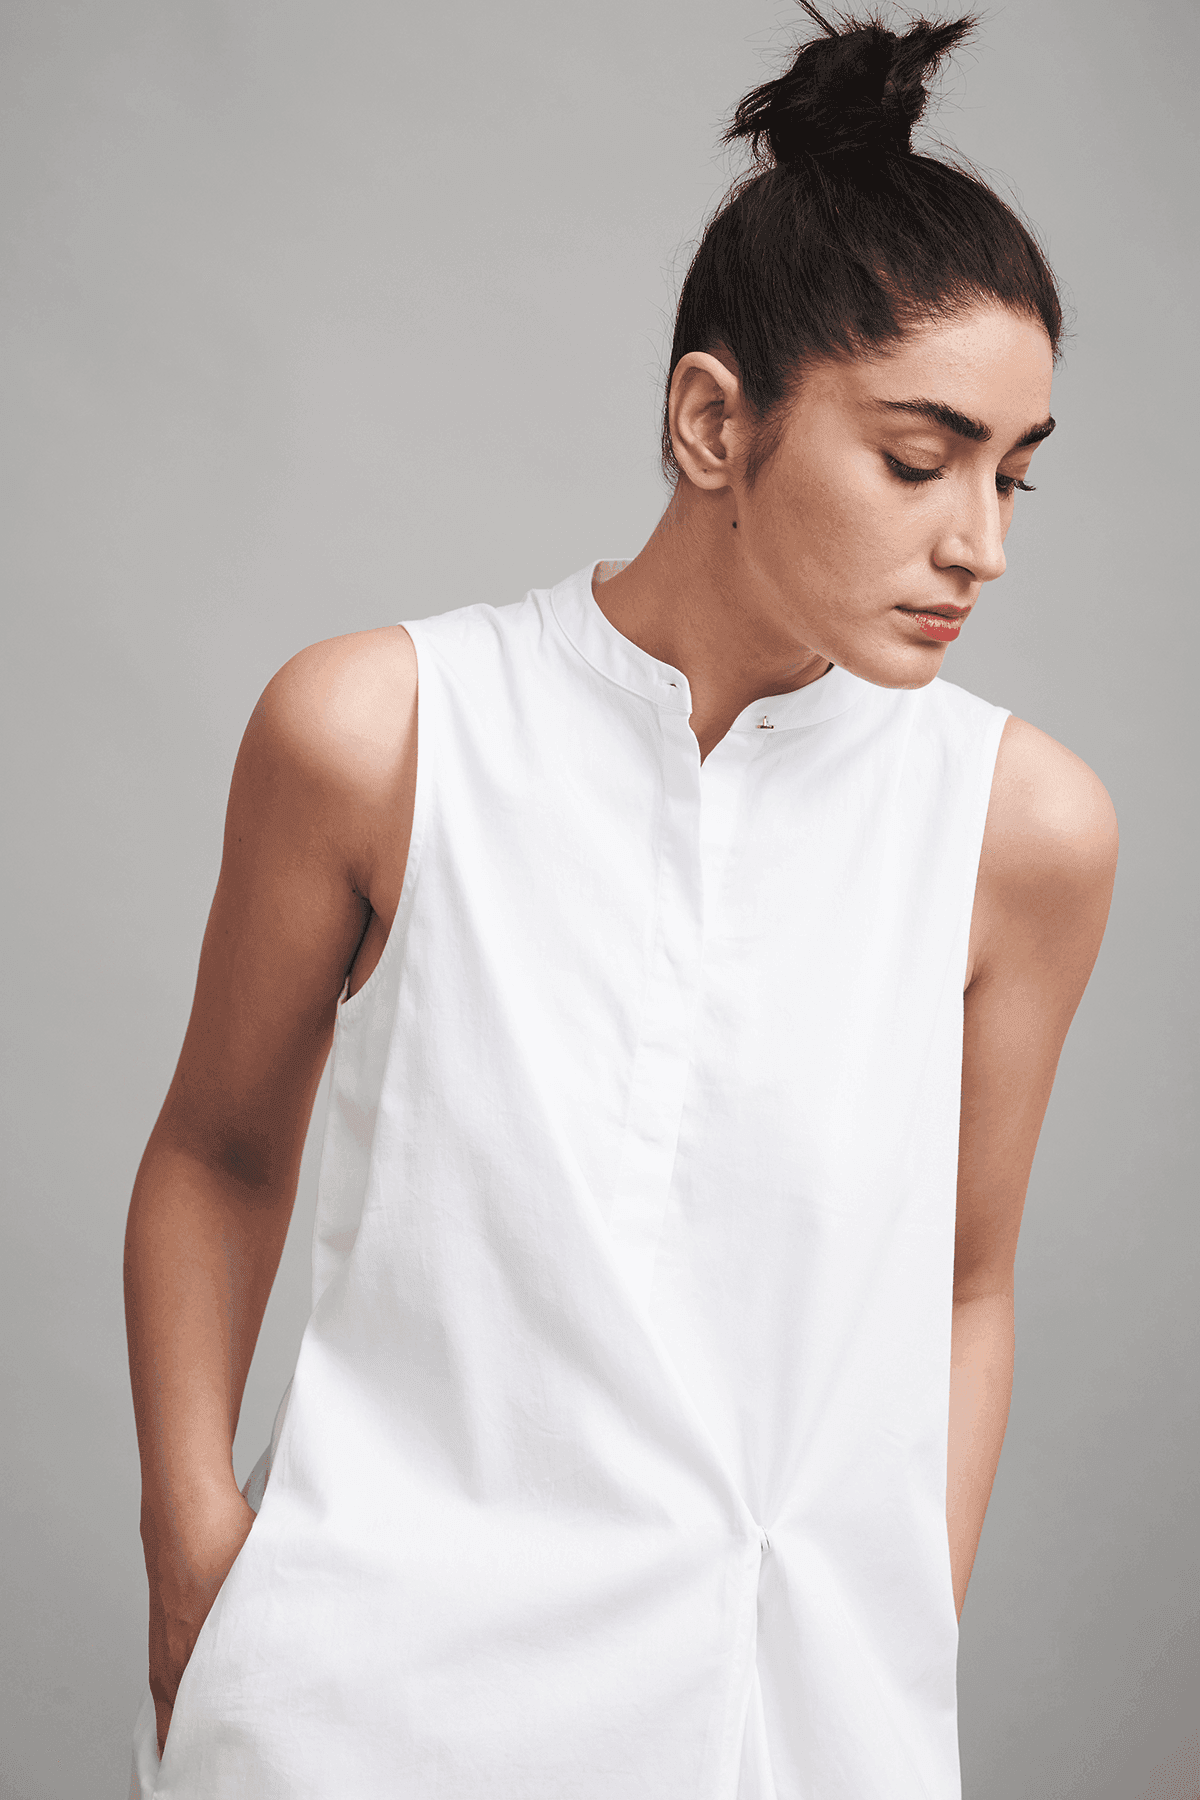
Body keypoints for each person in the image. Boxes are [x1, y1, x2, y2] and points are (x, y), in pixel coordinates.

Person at [124, 8, 1118, 1797]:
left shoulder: (1019, 828)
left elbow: (969, 1286)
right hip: (359, 1706)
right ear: (714, 420)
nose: (981, 541)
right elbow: (218, 1152)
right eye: (922, 460)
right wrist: (192, 1539)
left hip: (773, 1722)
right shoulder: (382, 728)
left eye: (1014, 471)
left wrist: (886, 1643)